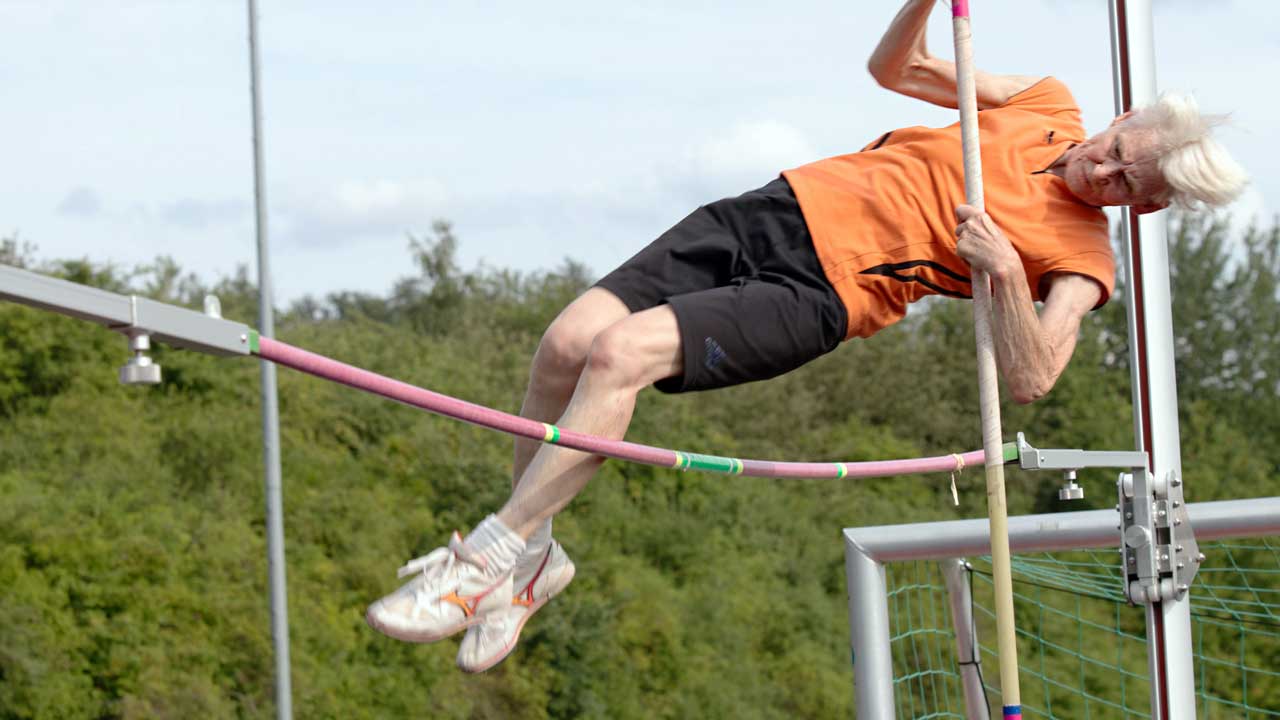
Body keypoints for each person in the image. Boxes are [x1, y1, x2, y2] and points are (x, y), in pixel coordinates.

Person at [365, 0, 1248, 672]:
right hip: (775, 208)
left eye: (1126, 184)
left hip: (820, 292)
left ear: (1150, 206)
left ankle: (485, 555)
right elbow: (893, 70)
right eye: (1116, 149)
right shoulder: (1043, 101)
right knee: (565, 342)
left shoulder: (1085, 260)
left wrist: (1008, 272)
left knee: (618, 356)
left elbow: (1032, 376)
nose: (1102, 171)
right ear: (1123, 117)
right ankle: (533, 558)